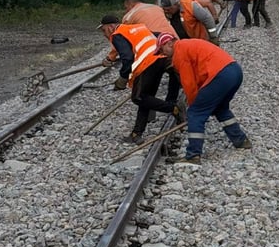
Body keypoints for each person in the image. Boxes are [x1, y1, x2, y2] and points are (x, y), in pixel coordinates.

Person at [155, 33, 251, 165]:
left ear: (169, 43)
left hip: (221, 74)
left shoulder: (179, 52)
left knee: (195, 113)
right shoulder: (187, 45)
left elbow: (189, 83)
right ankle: (241, 141)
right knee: (220, 109)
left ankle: (193, 155)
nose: (162, 53)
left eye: (161, 49)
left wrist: (193, 105)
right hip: (234, 71)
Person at [97, 14, 182, 144]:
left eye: (104, 30)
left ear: (111, 26)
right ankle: (136, 133)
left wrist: (123, 79)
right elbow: (157, 35)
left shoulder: (117, 34)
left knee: (138, 98)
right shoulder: (137, 27)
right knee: (146, 98)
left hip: (148, 63)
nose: (104, 34)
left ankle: (173, 108)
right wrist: (110, 59)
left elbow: (127, 57)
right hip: (161, 57)